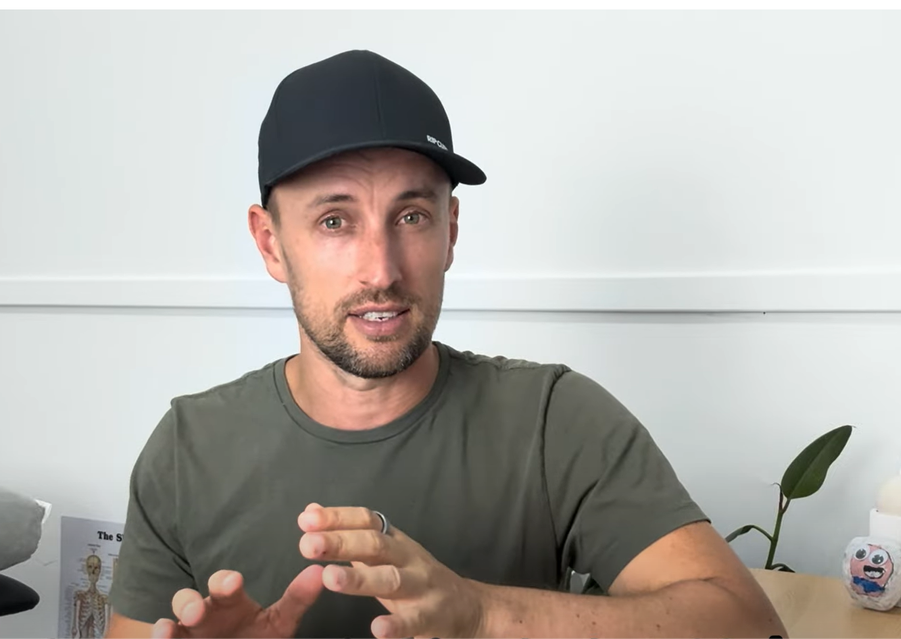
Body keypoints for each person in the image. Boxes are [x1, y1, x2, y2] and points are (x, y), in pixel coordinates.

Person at [104, 49, 787, 639]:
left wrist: (484, 615)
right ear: (270, 243)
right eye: (335, 219)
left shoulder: (554, 420)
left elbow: (751, 625)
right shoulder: (186, 449)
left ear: (451, 230)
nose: (382, 269)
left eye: (411, 214)